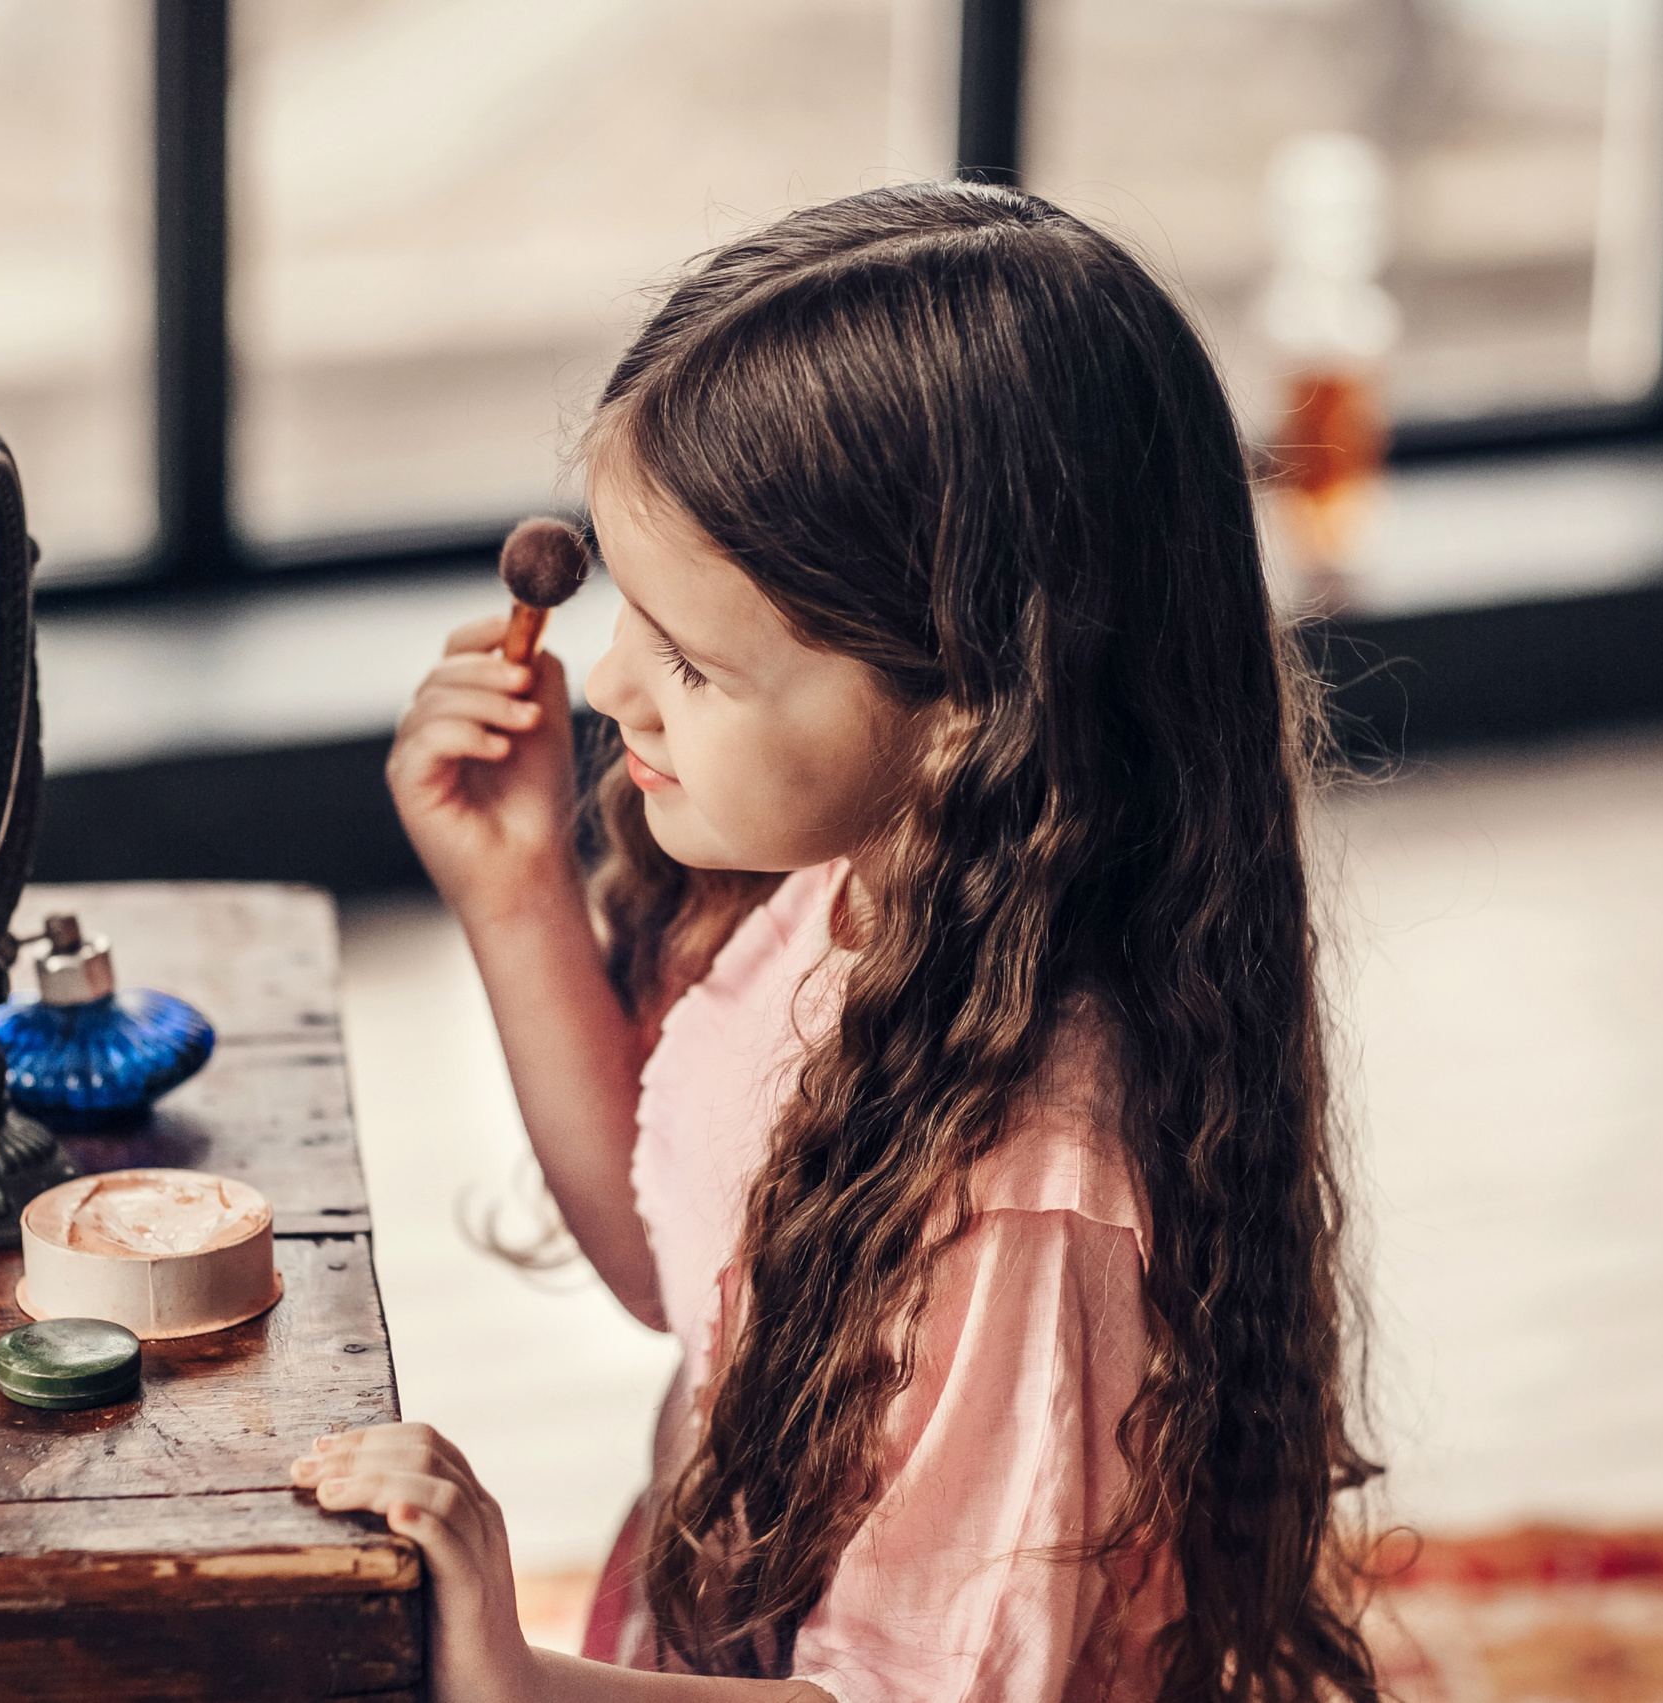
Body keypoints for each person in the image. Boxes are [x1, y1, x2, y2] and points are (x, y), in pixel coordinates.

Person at [290, 182, 1381, 1703]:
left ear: (970, 711)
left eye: (692, 661)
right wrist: (515, 885)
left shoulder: (1025, 1192)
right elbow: (688, 1282)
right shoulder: (859, 893)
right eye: (629, 610)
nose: (607, 685)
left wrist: (510, 1677)